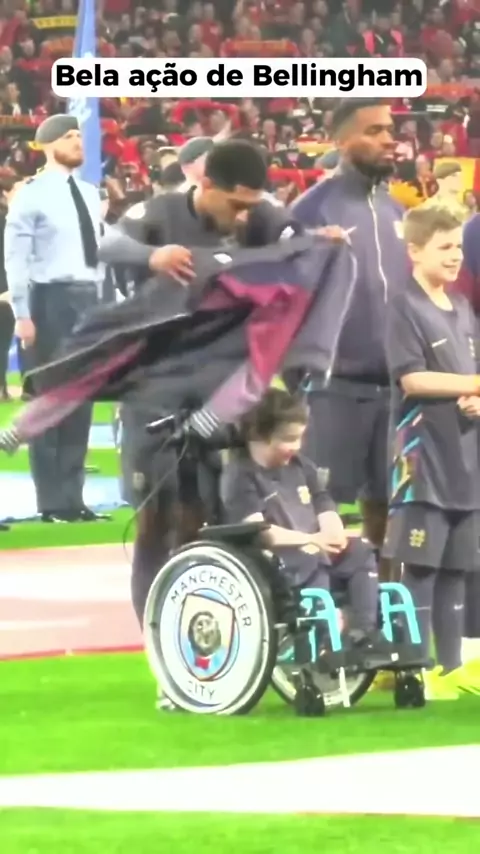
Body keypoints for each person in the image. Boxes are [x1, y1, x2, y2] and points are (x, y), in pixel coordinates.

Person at [98, 139, 296, 628]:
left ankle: (216, 636)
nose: (244, 217)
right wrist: (151, 256)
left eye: (251, 206)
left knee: (219, 519)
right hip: (154, 391)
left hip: (223, 394)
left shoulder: (261, 218)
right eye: (235, 204)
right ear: (205, 183)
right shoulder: (158, 214)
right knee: (156, 524)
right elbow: (104, 242)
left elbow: (301, 241)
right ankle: (159, 642)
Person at [291, 99, 411, 582]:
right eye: (374, 131)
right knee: (317, 510)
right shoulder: (310, 210)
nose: (388, 139)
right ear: (341, 140)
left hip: (396, 388)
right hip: (332, 388)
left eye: (390, 129)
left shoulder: (397, 209)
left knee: (390, 507)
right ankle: (317, 608)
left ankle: (383, 608)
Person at [384, 203, 480, 699]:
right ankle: (413, 665)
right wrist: (471, 385)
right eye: (444, 247)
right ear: (415, 251)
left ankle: (450, 666)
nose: (455, 256)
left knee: (458, 566)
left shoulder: (462, 307)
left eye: (458, 246)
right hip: (422, 457)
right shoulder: (403, 307)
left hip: (466, 456)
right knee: (422, 565)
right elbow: (413, 379)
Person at [4, 114, 107, 524]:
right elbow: (16, 259)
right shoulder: (30, 195)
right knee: (51, 399)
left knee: (81, 401)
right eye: (68, 136)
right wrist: (22, 313)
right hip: (51, 301)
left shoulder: (89, 193)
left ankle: (74, 498)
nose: (78, 141)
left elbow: (99, 251)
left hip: (88, 300)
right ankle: (52, 502)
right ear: (47, 144)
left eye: (79, 135)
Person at [221, 388, 380, 642]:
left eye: (299, 438)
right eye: (288, 439)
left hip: (315, 548)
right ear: (258, 435)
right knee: (310, 556)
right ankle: (325, 636)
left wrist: (333, 530)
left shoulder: (301, 466)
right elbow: (260, 533)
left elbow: (323, 501)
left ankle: (363, 633)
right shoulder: (240, 476)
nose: (296, 446)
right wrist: (312, 540)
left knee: (360, 550)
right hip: (278, 559)